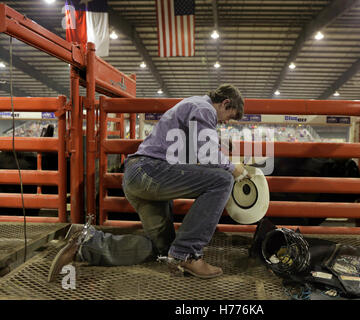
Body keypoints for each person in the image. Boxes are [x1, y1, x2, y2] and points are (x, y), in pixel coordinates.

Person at [48, 84, 249, 281]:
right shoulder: (204, 108)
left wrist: (219, 145)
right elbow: (207, 153)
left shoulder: (192, 105)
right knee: (223, 180)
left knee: (164, 249)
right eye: (228, 116)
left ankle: (86, 244)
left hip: (139, 176)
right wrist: (234, 168)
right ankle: (189, 254)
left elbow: (195, 148)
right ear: (225, 103)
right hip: (152, 171)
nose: (223, 122)